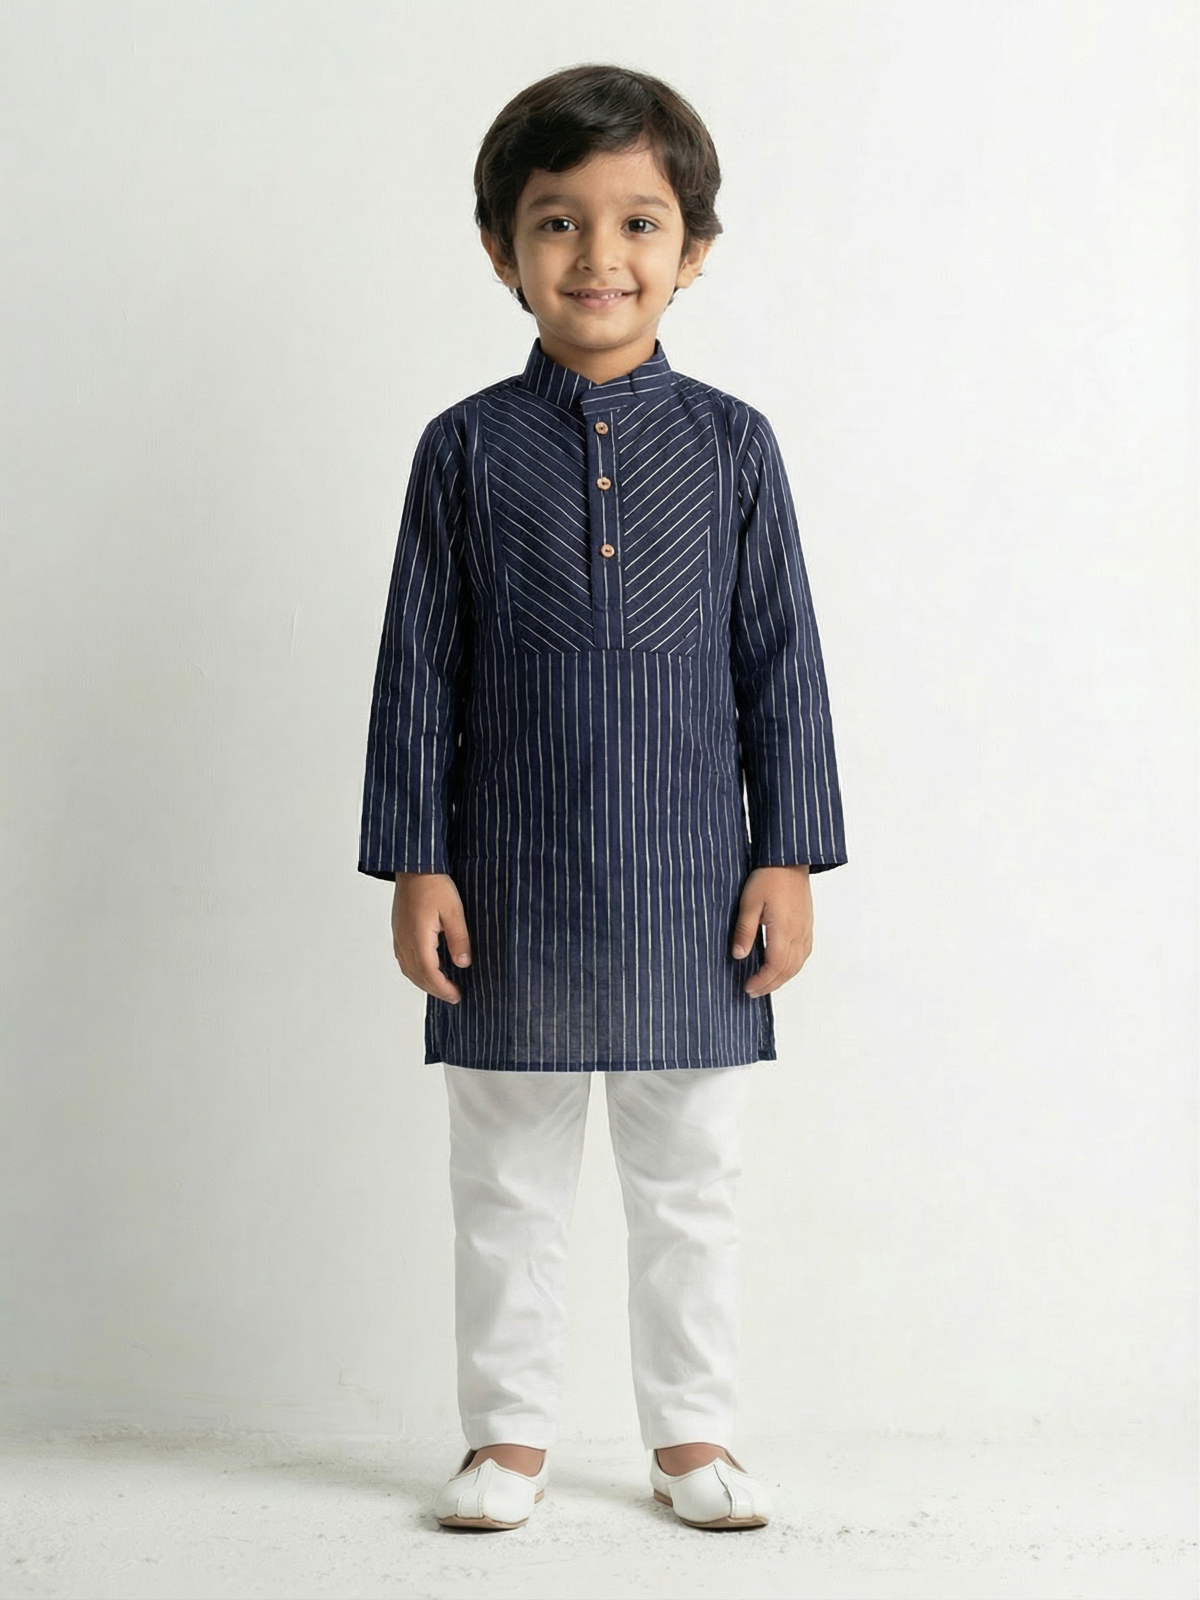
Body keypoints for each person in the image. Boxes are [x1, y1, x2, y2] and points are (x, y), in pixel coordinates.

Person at [358, 62, 847, 1532]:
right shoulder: (461, 447)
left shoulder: (735, 444)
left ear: (693, 251)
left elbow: (782, 659)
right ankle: (505, 1440)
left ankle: (691, 1437)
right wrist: (417, 862)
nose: (598, 256)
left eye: (639, 222)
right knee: (505, 1182)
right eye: (558, 221)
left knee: (690, 1180)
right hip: (506, 878)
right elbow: (417, 668)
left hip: (694, 883)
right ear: (500, 248)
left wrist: (789, 856)